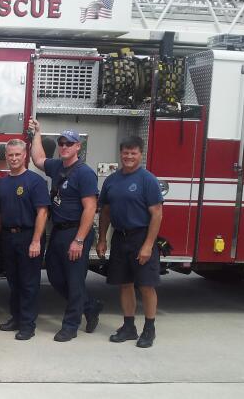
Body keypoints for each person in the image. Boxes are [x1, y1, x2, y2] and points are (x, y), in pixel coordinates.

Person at [29, 119, 103, 342]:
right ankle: (90, 306)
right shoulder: (57, 166)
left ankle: (70, 325)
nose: (64, 147)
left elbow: (90, 208)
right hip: (59, 232)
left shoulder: (85, 173)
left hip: (76, 233)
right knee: (54, 276)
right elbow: (38, 159)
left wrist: (79, 240)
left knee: (74, 280)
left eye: (69, 144)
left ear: (78, 146)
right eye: (61, 143)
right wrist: (38, 133)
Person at [97, 136, 164, 348]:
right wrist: (101, 239)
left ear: (140, 154)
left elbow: (157, 214)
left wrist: (148, 245)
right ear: (120, 154)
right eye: (125, 152)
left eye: (133, 153)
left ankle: (149, 329)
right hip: (120, 237)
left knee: (146, 285)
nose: (129, 156)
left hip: (141, 237)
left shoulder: (148, 180)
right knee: (125, 284)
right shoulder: (112, 180)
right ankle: (129, 327)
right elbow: (105, 212)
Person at [0, 139, 49, 340]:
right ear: (6, 156)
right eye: (10, 155)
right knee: (13, 281)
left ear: (25, 156)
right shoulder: (2, 183)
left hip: (28, 236)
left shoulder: (35, 181)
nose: (13, 158)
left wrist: (36, 241)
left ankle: (28, 324)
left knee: (29, 283)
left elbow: (42, 213)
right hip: (7, 237)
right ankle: (16, 318)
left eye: (17, 155)